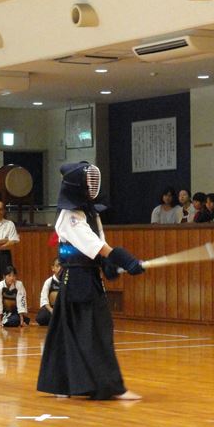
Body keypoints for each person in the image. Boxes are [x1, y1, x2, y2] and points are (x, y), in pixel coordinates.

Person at [37, 162, 145, 401]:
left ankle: (63, 383)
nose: (92, 186)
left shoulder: (90, 213)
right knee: (96, 330)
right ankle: (108, 386)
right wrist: (124, 259)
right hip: (77, 280)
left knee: (72, 331)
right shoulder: (69, 215)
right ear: (77, 185)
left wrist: (110, 264)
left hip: (87, 277)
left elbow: (100, 245)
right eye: (88, 182)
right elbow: (93, 245)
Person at [36, 258, 62, 326]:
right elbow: (44, 299)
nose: (60, 268)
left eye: (62, 266)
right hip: (51, 310)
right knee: (41, 317)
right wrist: (51, 310)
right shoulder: (48, 282)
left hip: (63, 310)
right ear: (53, 268)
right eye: (57, 266)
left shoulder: (67, 282)